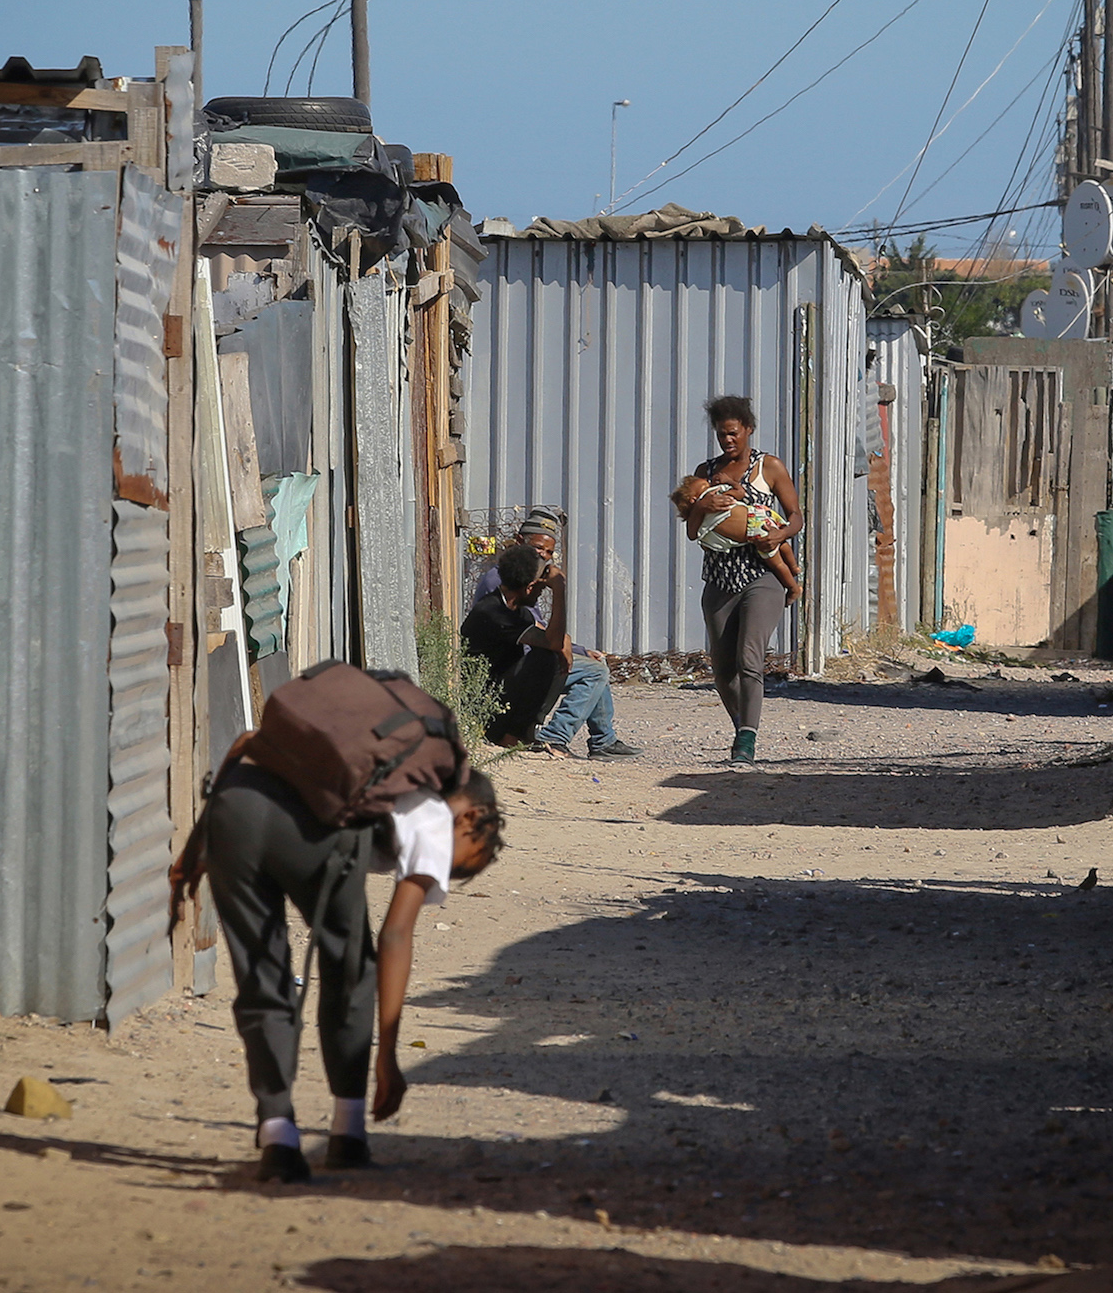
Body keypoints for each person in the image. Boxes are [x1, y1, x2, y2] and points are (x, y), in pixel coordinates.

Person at [185, 715, 505, 1183]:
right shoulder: (437, 815)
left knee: (261, 972)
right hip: (313, 835)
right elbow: (394, 936)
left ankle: (277, 1135)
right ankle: (348, 1135)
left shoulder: (371, 763)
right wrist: (387, 1056)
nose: (446, 875)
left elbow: (247, 741)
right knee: (351, 968)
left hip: (234, 809)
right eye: (462, 863)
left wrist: (194, 848)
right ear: (473, 816)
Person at [688, 394, 802, 763]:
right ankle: (741, 725)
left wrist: (780, 535)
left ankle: (746, 742)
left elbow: (796, 515)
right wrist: (702, 506)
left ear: (748, 429)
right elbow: (692, 531)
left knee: (749, 659)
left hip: (762, 575)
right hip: (719, 578)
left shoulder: (769, 467)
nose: (727, 440)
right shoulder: (706, 473)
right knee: (723, 669)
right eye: (722, 434)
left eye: (733, 433)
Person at [464, 537, 639, 759]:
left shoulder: (515, 608)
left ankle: (596, 740)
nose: (541, 594)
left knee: (588, 666)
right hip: (488, 705)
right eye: (541, 588)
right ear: (530, 587)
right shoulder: (493, 612)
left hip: (504, 691)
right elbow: (553, 642)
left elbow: (553, 638)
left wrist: (565, 643)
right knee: (549, 657)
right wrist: (559, 590)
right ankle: (521, 735)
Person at [671, 472, 804, 603]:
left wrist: (729, 482)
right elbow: (740, 492)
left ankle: (793, 578)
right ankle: (793, 579)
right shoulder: (709, 503)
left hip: (757, 520)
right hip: (757, 524)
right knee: (779, 554)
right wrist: (728, 484)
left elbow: (740, 493)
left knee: (778, 557)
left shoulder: (718, 498)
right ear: (694, 499)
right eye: (705, 486)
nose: (710, 485)